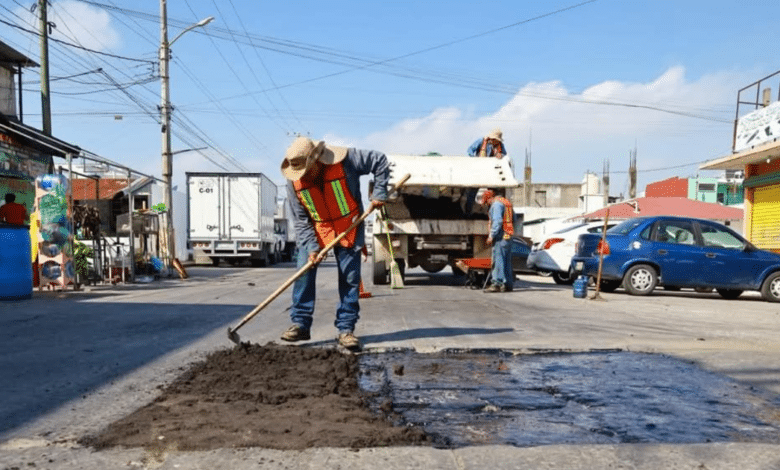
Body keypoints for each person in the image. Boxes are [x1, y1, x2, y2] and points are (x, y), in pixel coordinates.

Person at [280, 136, 389, 351]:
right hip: (317, 229)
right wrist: (311, 248)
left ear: (317, 160)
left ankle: (346, 329)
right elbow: (301, 219)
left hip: (349, 225)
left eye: (307, 170)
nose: (303, 175)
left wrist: (379, 192)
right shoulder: (294, 183)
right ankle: (300, 324)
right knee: (303, 273)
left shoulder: (347, 160)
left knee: (349, 279)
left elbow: (380, 160)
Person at [480, 189, 515, 293]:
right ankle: (508, 285)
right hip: (508, 235)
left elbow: (497, 221)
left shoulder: (496, 205)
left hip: (501, 236)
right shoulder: (506, 202)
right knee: (506, 261)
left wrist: (491, 235)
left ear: (489, 199)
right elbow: (515, 219)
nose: (487, 205)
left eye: (486, 202)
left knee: (498, 260)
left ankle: (497, 284)